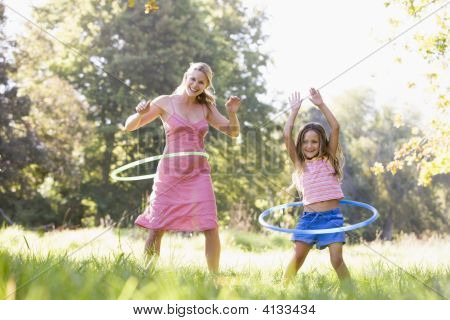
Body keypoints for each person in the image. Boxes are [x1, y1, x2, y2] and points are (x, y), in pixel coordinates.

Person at [124, 62, 241, 273]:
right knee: (157, 227)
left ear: (206, 86)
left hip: (198, 174)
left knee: (210, 226)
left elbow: (233, 132)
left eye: (201, 82)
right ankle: (147, 274)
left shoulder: (206, 107)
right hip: (169, 174)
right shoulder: (165, 102)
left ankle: (214, 278)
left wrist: (232, 112)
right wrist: (139, 114)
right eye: (193, 79)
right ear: (186, 77)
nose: (195, 84)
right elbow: (129, 126)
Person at [282, 88, 350, 284]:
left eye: (314, 142)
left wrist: (320, 104)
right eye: (305, 142)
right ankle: (282, 291)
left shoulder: (329, 159)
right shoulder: (300, 164)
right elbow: (287, 135)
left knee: (337, 261)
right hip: (309, 219)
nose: (309, 146)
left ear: (322, 143)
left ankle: (351, 293)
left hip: (332, 219)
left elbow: (335, 127)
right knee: (297, 258)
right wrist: (294, 110)